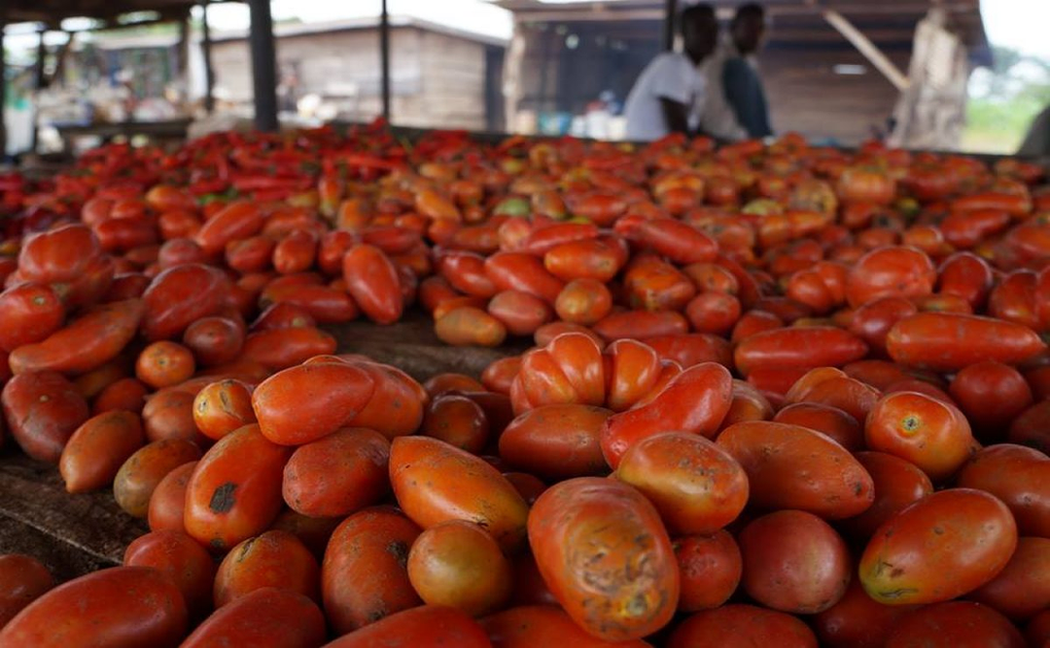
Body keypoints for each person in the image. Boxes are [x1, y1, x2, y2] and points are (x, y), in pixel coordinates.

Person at [623, 4, 719, 141]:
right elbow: (679, 130)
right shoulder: (673, 66)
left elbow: (693, 128)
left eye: (713, 29)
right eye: (701, 29)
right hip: (652, 150)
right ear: (683, 33)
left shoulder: (695, 72)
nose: (710, 36)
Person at [721, 3, 773, 139]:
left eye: (760, 29)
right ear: (733, 28)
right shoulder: (722, 60)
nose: (756, 35)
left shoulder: (747, 57)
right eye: (750, 28)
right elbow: (713, 114)